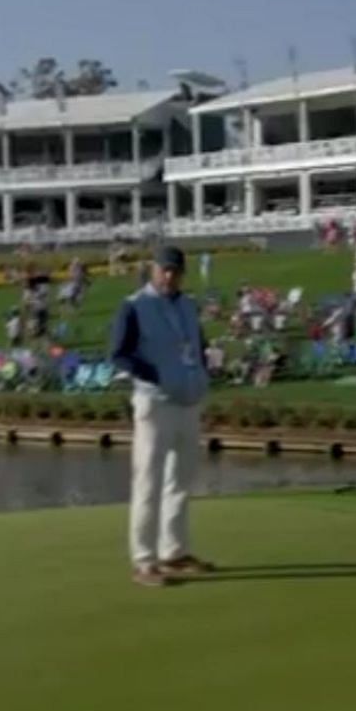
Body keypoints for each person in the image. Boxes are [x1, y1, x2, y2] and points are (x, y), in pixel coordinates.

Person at [111, 245, 211, 587]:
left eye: (175, 271)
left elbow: (197, 344)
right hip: (154, 402)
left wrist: (200, 373)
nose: (169, 276)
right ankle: (144, 560)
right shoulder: (134, 306)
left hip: (188, 399)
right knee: (148, 481)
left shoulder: (187, 305)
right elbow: (119, 354)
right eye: (164, 270)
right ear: (153, 270)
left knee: (180, 481)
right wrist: (154, 374)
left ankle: (174, 551)